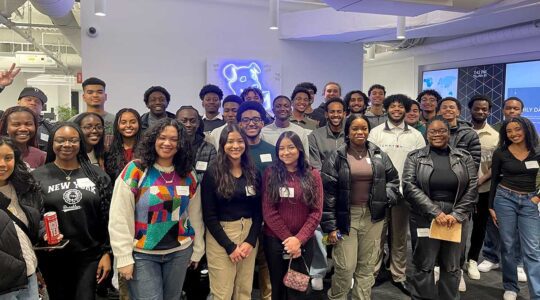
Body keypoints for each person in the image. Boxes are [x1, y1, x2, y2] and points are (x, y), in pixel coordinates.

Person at [109, 118, 204, 299]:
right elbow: (119, 217)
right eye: (162, 138)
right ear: (153, 140)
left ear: (181, 144)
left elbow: (195, 214)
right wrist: (123, 256)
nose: (167, 143)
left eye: (174, 139)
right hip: (142, 255)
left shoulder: (187, 173)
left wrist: (198, 249)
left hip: (179, 252)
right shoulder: (136, 170)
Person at [322, 114, 401, 300]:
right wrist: (330, 227)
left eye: (364, 128)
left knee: (367, 267)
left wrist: (384, 197)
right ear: (347, 132)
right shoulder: (336, 157)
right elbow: (328, 194)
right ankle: (337, 296)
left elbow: (393, 181)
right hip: (345, 218)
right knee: (345, 266)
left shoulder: (378, 154)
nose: (360, 132)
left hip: (373, 217)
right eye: (355, 129)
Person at [32, 122, 112, 300]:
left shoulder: (97, 175)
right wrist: (43, 232)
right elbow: (33, 214)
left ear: (80, 143)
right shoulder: (37, 176)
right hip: (52, 256)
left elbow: (108, 217)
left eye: (73, 140)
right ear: (52, 143)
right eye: (60, 140)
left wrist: (106, 252)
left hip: (89, 254)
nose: (66, 145)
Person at [403, 116, 478, 300]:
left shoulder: (464, 157)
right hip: (424, 216)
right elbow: (408, 186)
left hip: (456, 217)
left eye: (442, 131)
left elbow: (473, 187)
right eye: (433, 131)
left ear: (449, 133)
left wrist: (457, 214)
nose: (437, 134)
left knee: (452, 265)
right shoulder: (415, 157)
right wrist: (435, 212)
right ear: (427, 134)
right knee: (424, 263)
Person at [368, 94, 425, 295]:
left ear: (407, 110)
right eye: (393, 106)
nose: (397, 110)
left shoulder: (416, 136)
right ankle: (372, 274)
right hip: (380, 193)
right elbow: (370, 162)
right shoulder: (375, 133)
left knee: (400, 237)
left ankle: (398, 275)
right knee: (377, 237)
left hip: (404, 194)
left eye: (401, 107)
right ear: (386, 109)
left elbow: (420, 164)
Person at [201, 124, 262, 300]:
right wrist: (229, 247)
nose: (235, 146)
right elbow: (209, 216)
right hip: (221, 236)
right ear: (222, 145)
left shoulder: (253, 172)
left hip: (249, 235)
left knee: (244, 291)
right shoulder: (213, 172)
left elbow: (258, 212)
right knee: (222, 293)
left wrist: (250, 241)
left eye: (240, 141)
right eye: (230, 142)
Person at [262, 131, 323, 300]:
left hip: (303, 243)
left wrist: (298, 240)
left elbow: (316, 212)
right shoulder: (270, 173)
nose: (286, 152)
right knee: (278, 289)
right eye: (281, 148)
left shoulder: (313, 175)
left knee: (298, 288)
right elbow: (269, 211)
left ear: (300, 150)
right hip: (275, 241)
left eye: (290, 147)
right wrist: (289, 240)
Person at [488, 117, 540, 300]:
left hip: (529, 201)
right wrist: (491, 206)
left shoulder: (537, 151)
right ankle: (510, 286)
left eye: (517, 129)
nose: (514, 134)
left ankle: (537, 294)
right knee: (508, 245)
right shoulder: (501, 153)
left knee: (532, 249)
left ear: (526, 129)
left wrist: (537, 198)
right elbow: (494, 180)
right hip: (504, 199)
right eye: (509, 131)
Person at [478, 97, 527, 283]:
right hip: (497, 183)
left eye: (516, 108)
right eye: (508, 108)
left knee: (518, 226)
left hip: (520, 185)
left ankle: (519, 263)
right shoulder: (495, 130)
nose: (512, 111)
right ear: (503, 110)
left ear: (521, 110)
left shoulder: (528, 130)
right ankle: (491, 256)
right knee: (493, 221)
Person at [307, 97, 347, 290]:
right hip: (322, 191)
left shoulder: (352, 133)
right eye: (332, 112)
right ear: (326, 114)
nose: (336, 115)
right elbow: (315, 166)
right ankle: (319, 270)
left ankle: (341, 270)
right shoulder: (315, 136)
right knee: (320, 232)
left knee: (340, 230)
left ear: (344, 113)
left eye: (339, 111)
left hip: (347, 193)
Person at [236, 101, 274, 300]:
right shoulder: (233, 150)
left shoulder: (273, 150)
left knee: (267, 266)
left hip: (269, 219)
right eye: (246, 120)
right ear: (239, 123)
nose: (251, 123)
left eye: (256, 119)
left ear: (262, 122)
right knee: (243, 269)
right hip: (243, 219)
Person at [0, 136, 42, 299]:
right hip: (4, 283)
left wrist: (44, 232)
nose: (2, 164)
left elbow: (29, 225)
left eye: (8, 158)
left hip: (28, 274)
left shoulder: (24, 188)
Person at [464, 95, 499, 281]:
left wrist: (479, 181)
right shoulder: (461, 131)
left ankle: (472, 260)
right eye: (477, 108)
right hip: (460, 191)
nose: (480, 112)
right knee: (459, 226)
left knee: (479, 228)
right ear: (470, 109)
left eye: (484, 109)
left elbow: (495, 166)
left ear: (489, 111)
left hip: (483, 189)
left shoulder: (495, 136)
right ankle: (455, 261)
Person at [437, 97, 481, 170]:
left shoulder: (470, 134)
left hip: (461, 177)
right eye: (444, 107)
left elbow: (475, 162)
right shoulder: (431, 132)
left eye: (452, 107)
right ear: (438, 112)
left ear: (458, 112)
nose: (448, 109)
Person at [176, 105, 217, 182]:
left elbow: (212, 175)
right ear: (176, 122)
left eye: (192, 121)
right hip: (174, 190)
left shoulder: (209, 148)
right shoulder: (171, 146)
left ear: (198, 123)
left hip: (202, 190)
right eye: (184, 121)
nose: (188, 125)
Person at [70, 77, 115, 145]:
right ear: (84, 97)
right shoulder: (73, 121)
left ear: (105, 96)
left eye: (99, 92)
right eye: (90, 92)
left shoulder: (116, 120)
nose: (95, 95)